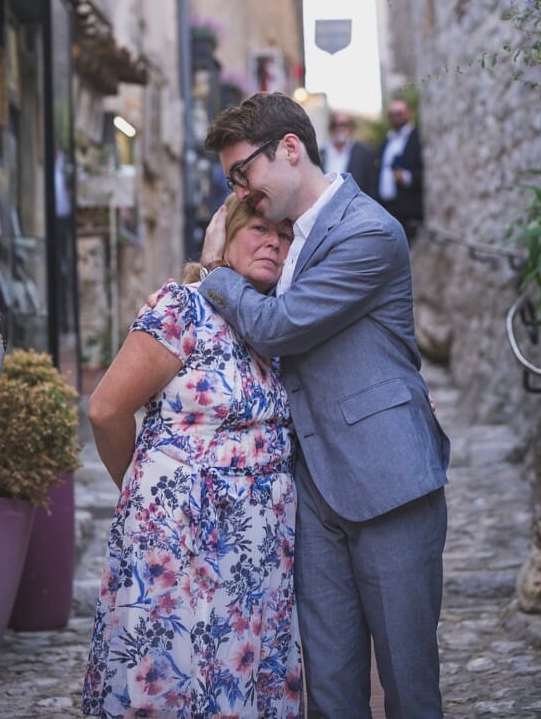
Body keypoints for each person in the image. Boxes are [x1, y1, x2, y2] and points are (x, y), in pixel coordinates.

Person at [195, 91, 449, 718]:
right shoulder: (282, 240)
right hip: (312, 490)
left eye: (243, 173)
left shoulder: (369, 231)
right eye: (231, 181)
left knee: (408, 687)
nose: (240, 192)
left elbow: (281, 327)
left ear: (288, 149)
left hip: (389, 481)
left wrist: (214, 270)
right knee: (330, 693)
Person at [82, 197, 302, 718]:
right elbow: (107, 409)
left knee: (240, 677)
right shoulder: (184, 307)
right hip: (178, 534)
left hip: (257, 550)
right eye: (258, 229)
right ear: (224, 235)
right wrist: (145, 490)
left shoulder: (281, 323)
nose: (273, 241)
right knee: (170, 671)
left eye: (285, 233)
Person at [376, 97, 424, 243]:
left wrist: (406, 177)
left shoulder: (418, 138)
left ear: (410, 113)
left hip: (408, 211)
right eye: (392, 114)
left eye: (400, 113)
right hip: (386, 209)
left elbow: (427, 172)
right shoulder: (387, 142)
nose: (396, 117)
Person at [320, 110, 377, 193]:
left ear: (352, 127)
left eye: (344, 125)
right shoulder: (322, 152)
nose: (339, 128)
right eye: (335, 125)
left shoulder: (365, 153)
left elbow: (371, 186)